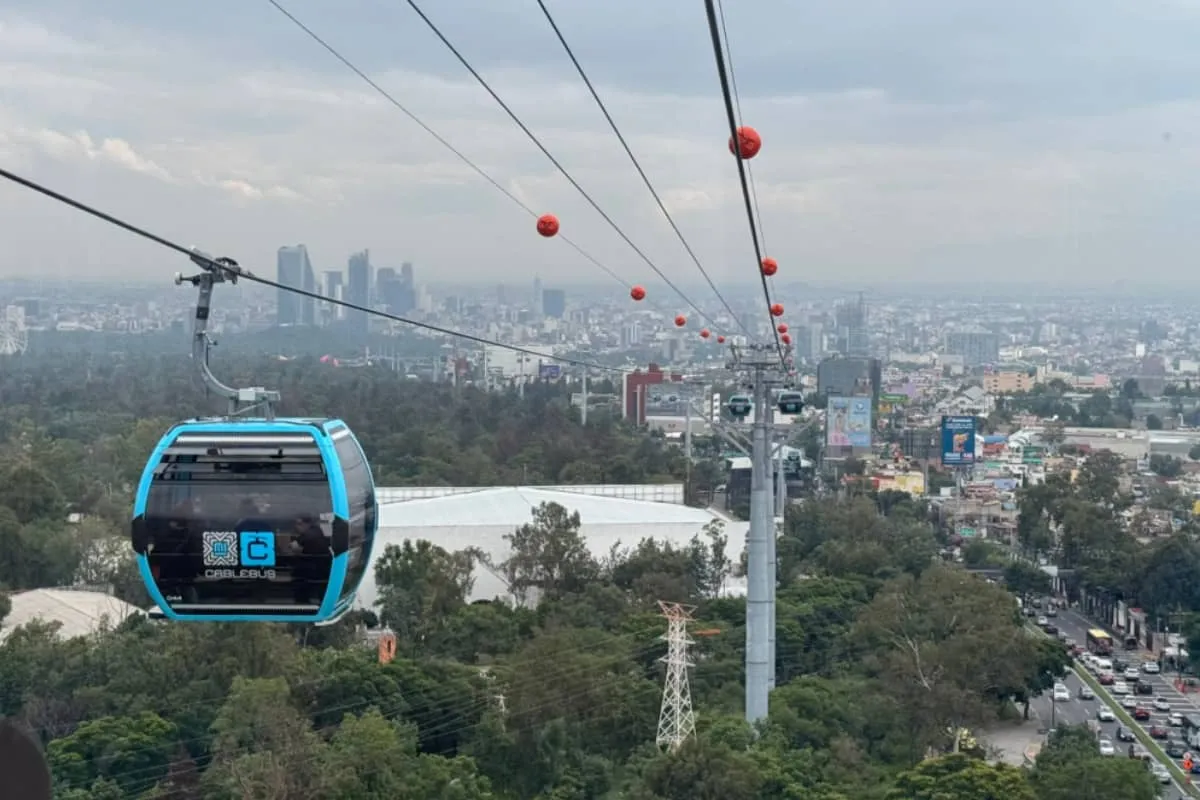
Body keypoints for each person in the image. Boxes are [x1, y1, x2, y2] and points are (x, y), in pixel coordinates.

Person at [289, 514, 331, 604]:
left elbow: (294, 546)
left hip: (313, 568)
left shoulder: (310, 534)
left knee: (301, 592)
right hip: (319, 568)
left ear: (307, 523)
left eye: (299, 524)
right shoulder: (317, 532)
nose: (297, 527)